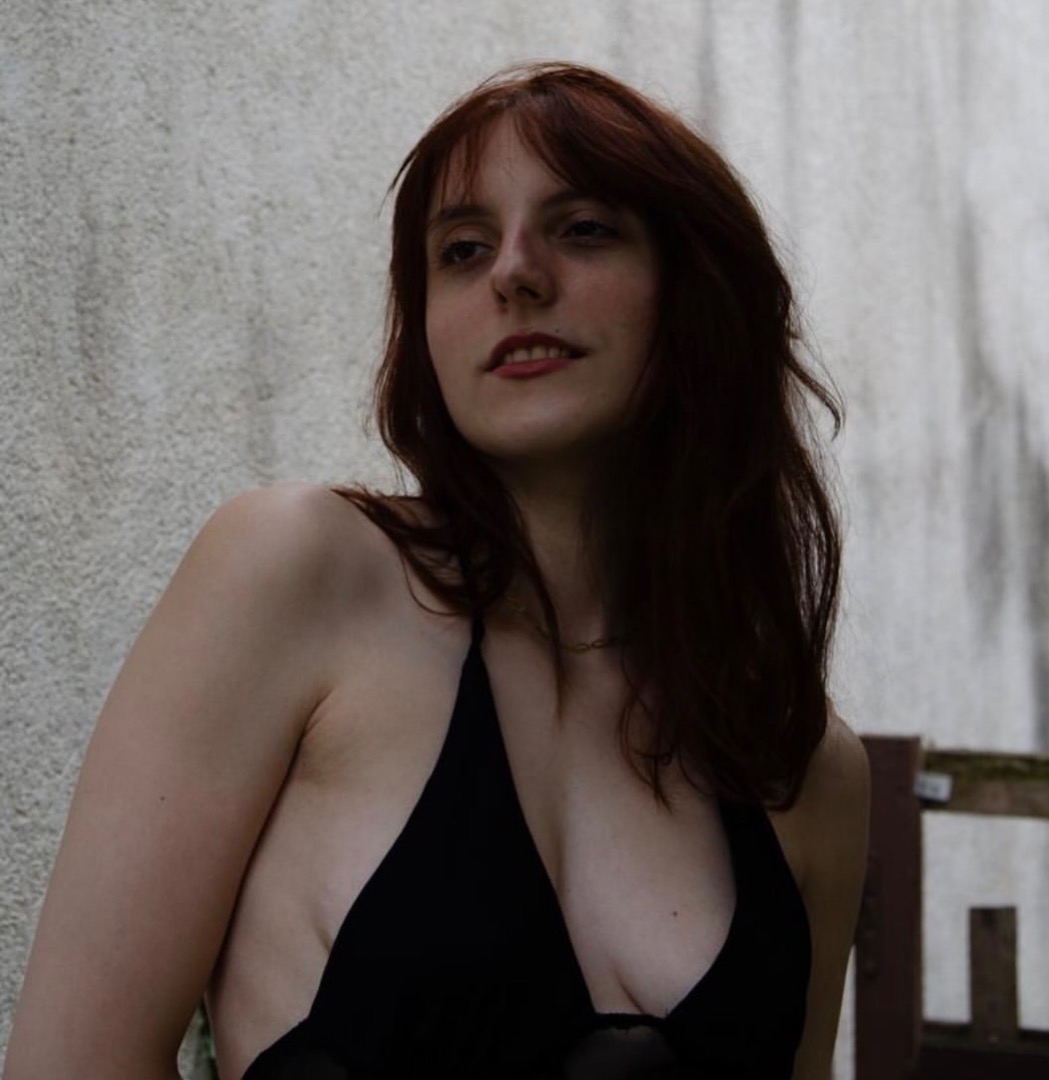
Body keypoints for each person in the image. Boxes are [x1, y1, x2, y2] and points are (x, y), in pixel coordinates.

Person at [5, 62, 869, 1080]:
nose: (514, 274)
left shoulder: (800, 764)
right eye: (462, 249)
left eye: (583, 228)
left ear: (699, 297)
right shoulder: (297, 574)